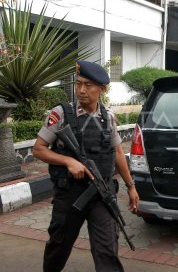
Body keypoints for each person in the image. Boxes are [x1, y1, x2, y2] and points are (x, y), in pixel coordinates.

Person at [32, 60, 140, 272]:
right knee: (59, 246)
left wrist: (131, 186)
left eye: (88, 85)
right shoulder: (61, 114)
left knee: (107, 249)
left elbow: (118, 152)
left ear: (102, 89)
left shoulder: (108, 118)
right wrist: (68, 161)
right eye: (79, 84)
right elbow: (39, 149)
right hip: (70, 194)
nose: (81, 90)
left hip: (101, 194)